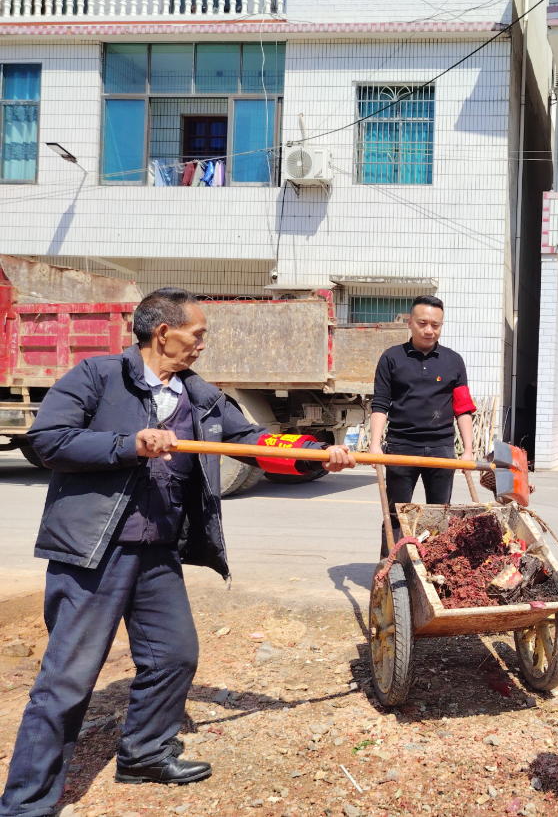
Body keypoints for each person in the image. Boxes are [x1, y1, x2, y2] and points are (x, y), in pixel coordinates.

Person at [0, 288, 355, 817]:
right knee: (68, 679)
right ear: (163, 332)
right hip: (92, 551)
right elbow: (48, 440)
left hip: (158, 550)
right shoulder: (97, 376)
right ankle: (26, 803)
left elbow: (254, 441)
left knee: (173, 656)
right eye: (198, 333)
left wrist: (314, 456)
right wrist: (128, 444)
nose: (202, 344)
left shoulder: (202, 396)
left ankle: (143, 752)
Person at [370, 295, 476, 556]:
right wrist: (374, 445)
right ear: (410, 322)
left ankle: (432, 570)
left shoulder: (453, 361)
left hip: (441, 449)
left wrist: (468, 450)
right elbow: (381, 404)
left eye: (436, 325)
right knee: (397, 513)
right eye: (423, 323)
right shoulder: (391, 358)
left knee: (439, 515)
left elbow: (463, 408)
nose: (429, 330)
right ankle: (390, 569)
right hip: (401, 446)